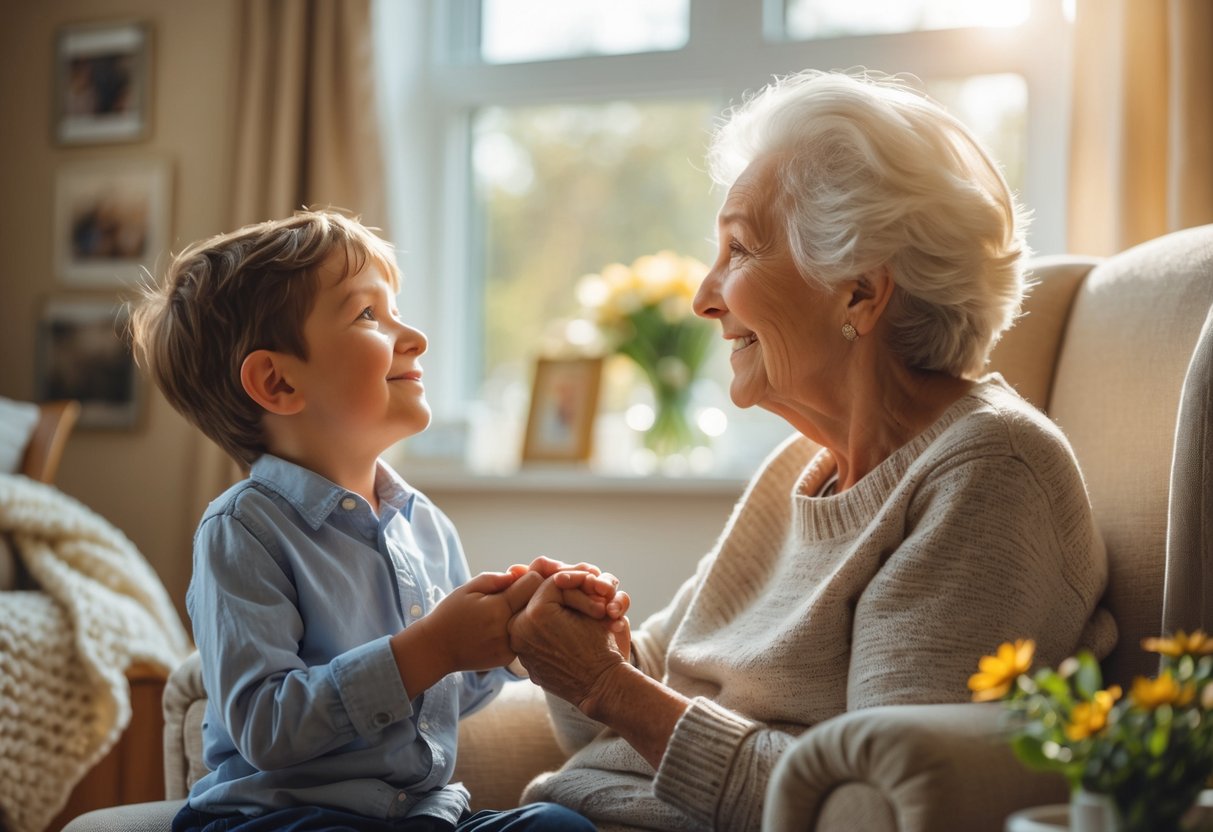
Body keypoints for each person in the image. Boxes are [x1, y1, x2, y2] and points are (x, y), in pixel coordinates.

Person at [504, 69, 1118, 831]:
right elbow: (637, 692)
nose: (703, 295)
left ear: (858, 293)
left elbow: (866, 803)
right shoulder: (800, 467)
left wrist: (608, 688)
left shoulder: (988, 473)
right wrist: (583, 647)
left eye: (738, 249)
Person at [131, 209, 627, 832]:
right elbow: (265, 725)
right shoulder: (243, 530)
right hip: (279, 817)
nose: (412, 335)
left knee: (557, 826)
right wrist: (431, 646)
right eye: (369, 315)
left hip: (417, 814)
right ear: (278, 381)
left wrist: (515, 635)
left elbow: (442, 693)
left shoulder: (424, 524)